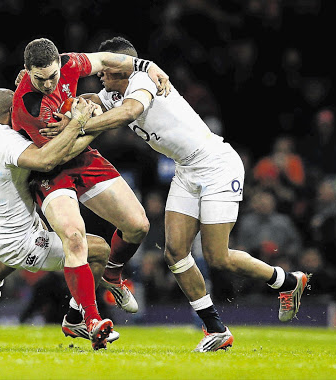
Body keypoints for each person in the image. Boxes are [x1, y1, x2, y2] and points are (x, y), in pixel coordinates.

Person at [42, 37, 309, 352]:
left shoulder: (143, 82)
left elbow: (129, 113)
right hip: (186, 170)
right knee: (175, 253)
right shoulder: (112, 92)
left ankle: (288, 282)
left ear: (121, 66)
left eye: (107, 67)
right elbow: (90, 101)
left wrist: (79, 126)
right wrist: (64, 105)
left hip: (216, 165)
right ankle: (216, 330)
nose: (100, 73)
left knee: (217, 256)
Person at [11, 38, 171, 330]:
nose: (48, 85)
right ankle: (91, 320)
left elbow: (106, 58)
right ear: (26, 70)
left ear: (60, 63)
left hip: (81, 154)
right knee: (74, 238)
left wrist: (148, 66)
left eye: (52, 77)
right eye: (39, 79)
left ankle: (112, 275)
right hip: (49, 170)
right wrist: (87, 122)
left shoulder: (70, 64)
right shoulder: (28, 105)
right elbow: (55, 156)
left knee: (138, 226)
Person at [0, 88, 117, 350]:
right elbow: (48, 161)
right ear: (11, 112)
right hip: (21, 242)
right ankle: (78, 318)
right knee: (100, 250)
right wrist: (86, 126)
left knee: (17, 244)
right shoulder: (7, 142)